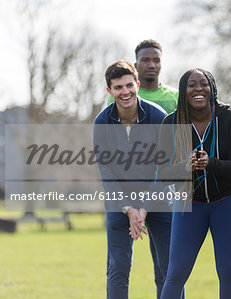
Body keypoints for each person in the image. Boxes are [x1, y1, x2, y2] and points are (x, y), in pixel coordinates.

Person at [159, 68, 231, 299]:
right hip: (189, 203)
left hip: (228, 202)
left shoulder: (230, 118)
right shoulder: (171, 123)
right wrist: (186, 167)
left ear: (212, 89)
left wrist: (211, 163)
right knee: (176, 272)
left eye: (204, 83)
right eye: (191, 84)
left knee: (228, 271)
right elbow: (163, 173)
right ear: (183, 91)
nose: (198, 88)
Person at [95, 60, 173, 299]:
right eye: (118, 87)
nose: (125, 91)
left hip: (159, 200)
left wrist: (146, 206)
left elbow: (165, 167)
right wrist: (128, 208)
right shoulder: (102, 122)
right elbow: (106, 171)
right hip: (119, 203)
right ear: (110, 91)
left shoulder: (158, 117)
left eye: (129, 85)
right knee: (117, 268)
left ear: (137, 84)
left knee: (168, 270)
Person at [107, 39, 178, 114]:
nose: (152, 65)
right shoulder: (120, 95)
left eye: (156, 61)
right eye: (145, 60)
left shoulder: (176, 96)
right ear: (136, 66)